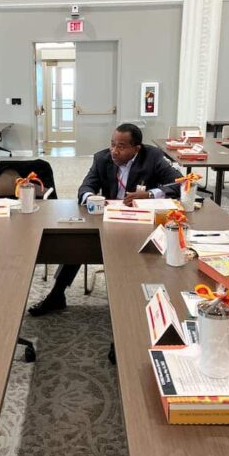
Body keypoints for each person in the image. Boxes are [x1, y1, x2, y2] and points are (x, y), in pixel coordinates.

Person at [29, 123, 183, 316]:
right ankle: (57, 295)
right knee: (75, 242)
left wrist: (150, 194)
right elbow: (85, 188)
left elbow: (179, 183)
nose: (114, 151)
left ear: (136, 149)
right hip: (109, 218)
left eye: (121, 146)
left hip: (141, 222)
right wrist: (92, 199)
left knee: (138, 260)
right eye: (112, 144)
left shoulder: (152, 157)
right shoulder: (102, 158)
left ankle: (132, 304)